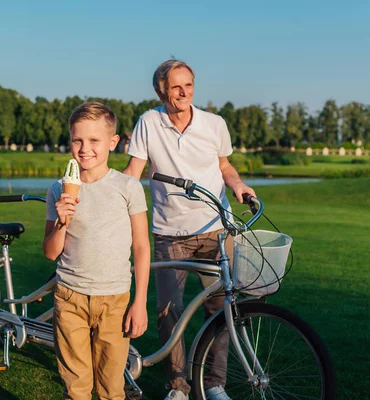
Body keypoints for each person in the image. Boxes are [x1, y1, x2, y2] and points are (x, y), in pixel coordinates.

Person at [123, 59, 256, 400]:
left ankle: (213, 384)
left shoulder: (214, 124)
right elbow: (134, 171)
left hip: (216, 229)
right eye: (176, 87)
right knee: (169, 312)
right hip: (170, 232)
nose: (184, 92)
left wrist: (238, 185)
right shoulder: (149, 122)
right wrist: (112, 201)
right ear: (161, 91)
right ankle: (178, 387)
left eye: (189, 85)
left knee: (221, 309)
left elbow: (224, 165)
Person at [43, 102, 150, 400]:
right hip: (70, 298)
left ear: (112, 143)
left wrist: (139, 302)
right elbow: (51, 253)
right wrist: (63, 221)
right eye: (77, 140)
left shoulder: (127, 187)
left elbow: (141, 248)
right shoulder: (58, 189)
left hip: (115, 300)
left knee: (111, 389)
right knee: (76, 388)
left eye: (94, 141)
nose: (84, 148)